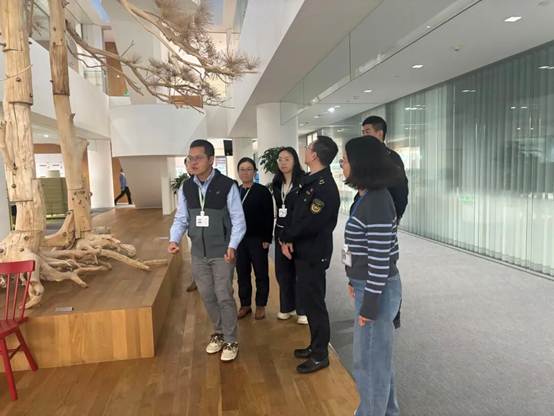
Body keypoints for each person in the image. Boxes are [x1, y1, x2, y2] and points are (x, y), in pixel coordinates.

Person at [168, 139, 246, 362]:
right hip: (198, 253)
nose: (193, 162)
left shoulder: (227, 185)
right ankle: (219, 332)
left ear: (211, 160)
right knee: (207, 294)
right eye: (190, 158)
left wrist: (232, 245)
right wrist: (174, 239)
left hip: (222, 252)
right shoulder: (187, 187)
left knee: (223, 294)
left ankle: (231, 339)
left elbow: (238, 220)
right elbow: (181, 218)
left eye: (198, 158)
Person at [341, 136, 403, 416]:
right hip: (368, 285)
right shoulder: (367, 196)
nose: (342, 163)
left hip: (376, 289)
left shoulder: (376, 201)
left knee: (369, 362)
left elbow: (380, 260)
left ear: (361, 163)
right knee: (377, 359)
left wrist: (369, 304)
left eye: (345, 159)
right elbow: (362, 249)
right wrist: (353, 280)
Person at [279, 136, 340, 374]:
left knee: (315, 304)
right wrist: (288, 237)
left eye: (308, 148)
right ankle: (314, 345)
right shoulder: (310, 180)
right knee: (308, 300)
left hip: (314, 253)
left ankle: (320, 354)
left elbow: (310, 223)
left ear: (314, 155)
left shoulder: (325, 187)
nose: (304, 151)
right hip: (304, 250)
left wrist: (287, 236)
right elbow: (297, 214)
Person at [362, 115, 408, 329]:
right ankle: (369, 306)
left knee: (386, 266)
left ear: (380, 133)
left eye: (368, 131)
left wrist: (394, 218)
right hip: (368, 219)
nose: (364, 135)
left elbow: (401, 192)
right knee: (368, 265)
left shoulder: (391, 158)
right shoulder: (366, 158)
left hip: (384, 220)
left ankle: (393, 312)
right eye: (363, 132)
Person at [270, 147, 308, 325]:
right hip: (280, 232)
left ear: (295, 161)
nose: (283, 162)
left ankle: (302, 310)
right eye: (280, 159)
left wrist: (292, 236)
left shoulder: (303, 182)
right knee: (282, 272)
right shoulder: (277, 182)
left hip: (298, 232)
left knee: (299, 272)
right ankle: (287, 307)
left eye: (287, 159)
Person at [235, 157, 274, 320]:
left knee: (261, 273)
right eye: (242, 169)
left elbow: (269, 216)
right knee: (242, 273)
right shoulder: (235, 191)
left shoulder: (262, 191)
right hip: (239, 240)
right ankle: (245, 305)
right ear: (238, 172)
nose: (245, 172)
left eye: (249, 169)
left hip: (258, 240)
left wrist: (267, 238)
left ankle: (260, 305)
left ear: (254, 172)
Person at [183, 157, 198, 293]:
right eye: (187, 164)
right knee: (195, 254)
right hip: (194, 227)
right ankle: (196, 280)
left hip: (213, 228)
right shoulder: (186, 186)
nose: (191, 166)